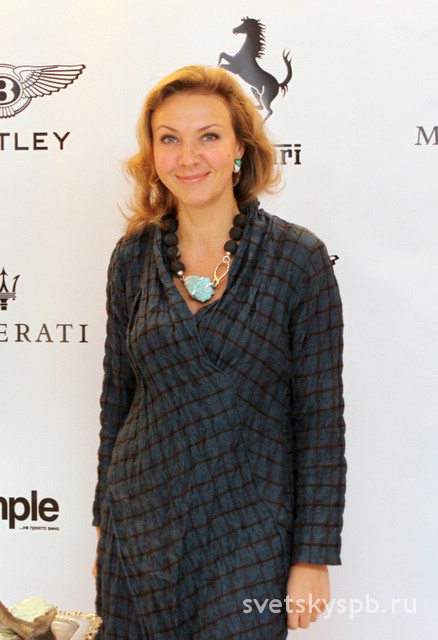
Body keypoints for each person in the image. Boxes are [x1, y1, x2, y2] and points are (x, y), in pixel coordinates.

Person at [92, 64, 346, 640]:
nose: (188, 157)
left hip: (249, 531)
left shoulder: (298, 259)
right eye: (169, 139)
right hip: (139, 528)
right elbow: (117, 400)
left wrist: (313, 556)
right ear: (153, 154)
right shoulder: (132, 257)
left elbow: (319, 418)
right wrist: (106, 525)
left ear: (239, 148)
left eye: (208, 136)